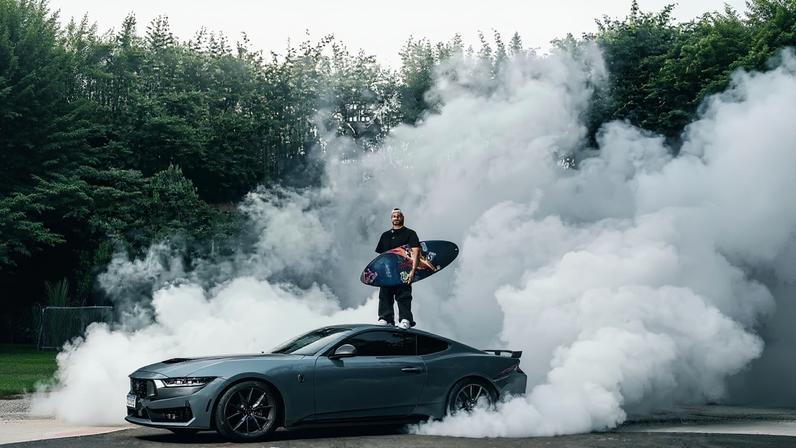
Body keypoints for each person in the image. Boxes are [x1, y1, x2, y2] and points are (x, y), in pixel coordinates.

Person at [375, 208, 420, 329]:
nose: (396, 218)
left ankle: (406, 319)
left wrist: (413, 271)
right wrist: (380, 273)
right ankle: (386, 318)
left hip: (404, 270)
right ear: (391, 219)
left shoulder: (410, 234)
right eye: (394, 216)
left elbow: (416, 252)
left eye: (398, 216)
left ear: (402, 218)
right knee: (385, 294)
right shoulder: (385, 236)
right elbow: (381, 257)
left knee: (404, 295)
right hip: (388, 271)